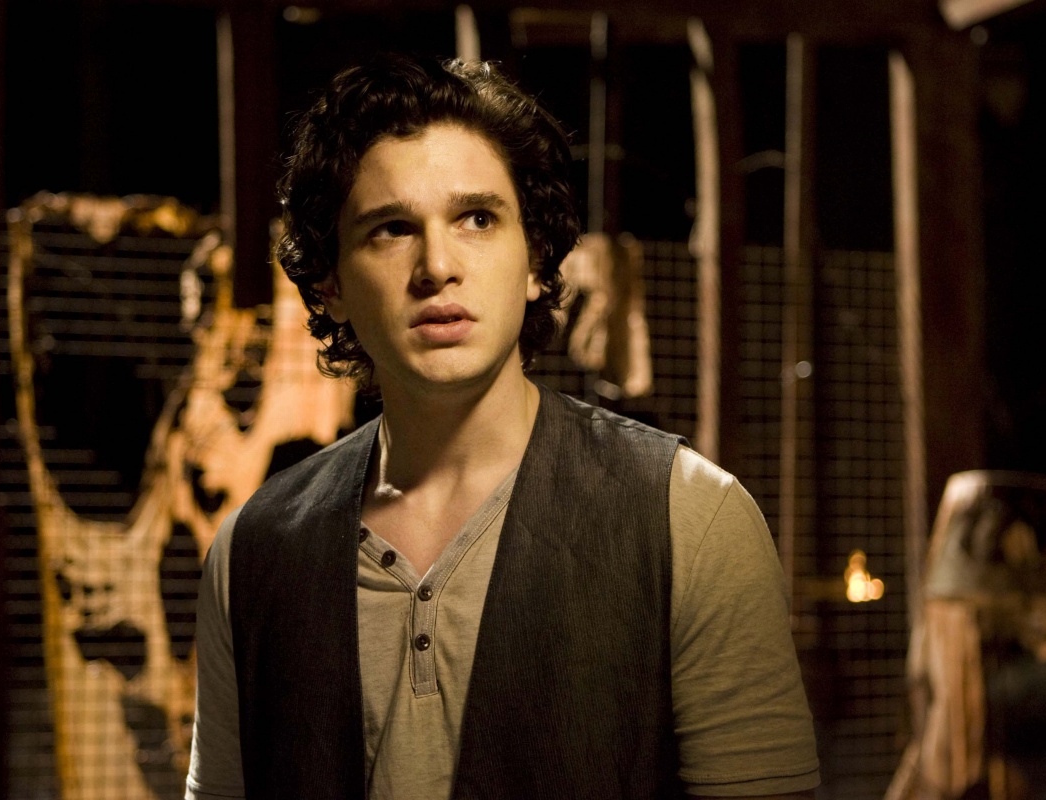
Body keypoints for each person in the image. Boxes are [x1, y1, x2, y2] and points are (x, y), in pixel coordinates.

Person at [186, 53, 819, 800]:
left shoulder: (688, 517)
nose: (437, 265)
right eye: (391, 229)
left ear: (535, 262)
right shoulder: (254, 549)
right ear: (331, 285)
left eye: (477, 219)